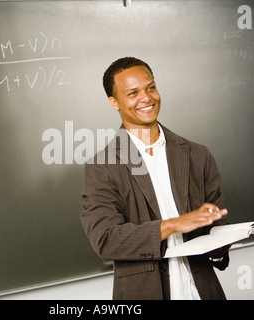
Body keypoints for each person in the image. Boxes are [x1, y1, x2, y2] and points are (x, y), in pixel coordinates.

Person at [81, 57, 231, 300]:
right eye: (133, 93)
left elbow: (217, 227)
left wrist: (221, 246)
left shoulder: (197, 155)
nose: (146, 98)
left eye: (150, 87)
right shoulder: (102, 167)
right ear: (114, 102)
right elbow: (107, 240)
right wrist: (174, 224)